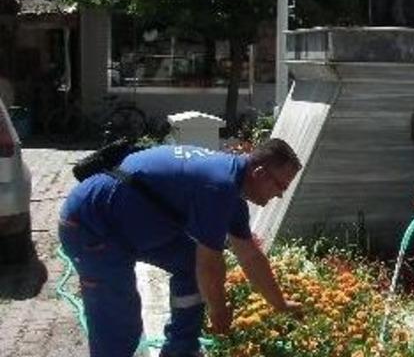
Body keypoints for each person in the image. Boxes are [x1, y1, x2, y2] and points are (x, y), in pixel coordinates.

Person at [59, 138, 303, 357]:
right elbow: (209, 264)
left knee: (188, 263)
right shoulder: (218, 187)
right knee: (118, 322)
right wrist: (217, 311)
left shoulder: (232, 189)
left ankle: (180, 349)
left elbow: (250, 256)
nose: (280, 195)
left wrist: (279, 303)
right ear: (259, 173)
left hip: (126, 227)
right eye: (280, 186)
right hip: (91, 226)